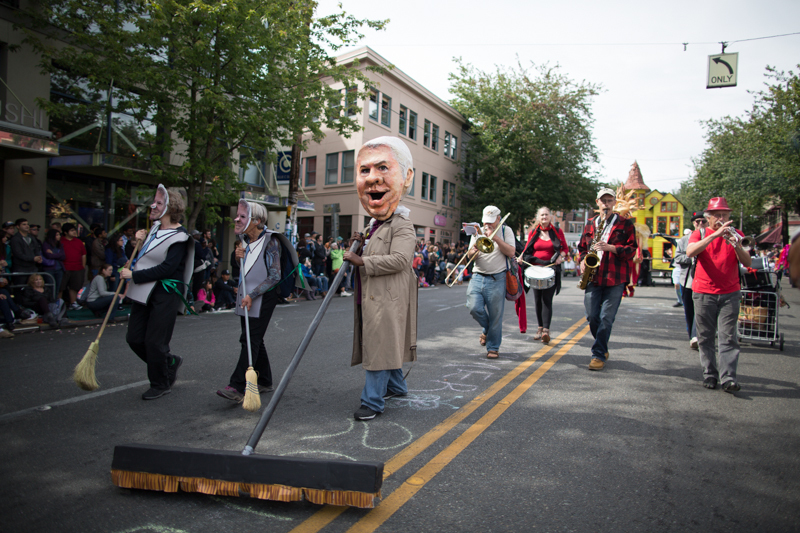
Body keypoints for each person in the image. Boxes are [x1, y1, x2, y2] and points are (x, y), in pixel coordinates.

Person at [343, 136, 417, 421]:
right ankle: (397, 385)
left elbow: (400, 260)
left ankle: (372, 402)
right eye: (365, 171)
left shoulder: (403, 226)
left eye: (383, 168)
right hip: (371, 295)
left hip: (387, 299)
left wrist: (363, 260)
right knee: (386, 343)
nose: (373, 178)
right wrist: (359, 245)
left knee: (378, 347)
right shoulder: (375, 224)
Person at [217, 200, 299, 402]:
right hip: (247, 297)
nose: (236, 219)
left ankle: (237, 386)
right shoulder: (246, 240)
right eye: (238, 215)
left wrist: (251, 295)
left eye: (242, 217)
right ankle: (265, 380)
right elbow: (247, 269)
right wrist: (238, 259)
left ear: (257, 221)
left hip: (262, 297)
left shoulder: (271, 241)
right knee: (252, 337)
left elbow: (274, 276)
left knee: (250, 339)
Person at [121, 185, 195, 400]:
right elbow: (138, 256)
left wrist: (133, 276)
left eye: (159, 203)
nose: (153, 206)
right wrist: (136, 241)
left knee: (155, 343)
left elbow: (167, 269)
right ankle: (169, 362)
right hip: (143, 291)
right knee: (134, 338)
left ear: (171, 208)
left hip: (165, 293)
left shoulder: (180, 237)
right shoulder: (152, 229)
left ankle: (160, 383)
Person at [686, 197, 751, 392]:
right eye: (717, 215)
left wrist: (736, 244)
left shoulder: (736, 234)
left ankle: (729, 378)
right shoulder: (700, 233)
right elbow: (690, 252)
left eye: (724, 215)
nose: (722, 218)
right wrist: (715, 236)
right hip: (704, 291)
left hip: (730, 292)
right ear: (709, 217)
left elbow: (747, 262)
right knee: (705, 337)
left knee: (728, 337)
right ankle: (710, 374)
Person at [578, 187, 637, 371]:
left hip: (615, 277)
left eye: (609, 200)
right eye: (603, 200)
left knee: (606, 318)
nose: (606, 204)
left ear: (614, 203)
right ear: (597, 203)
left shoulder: (625, 223)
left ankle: (597, 354)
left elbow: (632, 250)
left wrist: (611, 248)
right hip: (593, 277)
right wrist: (581, 261)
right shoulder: (590, 224)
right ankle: (602, 347)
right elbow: (581, 248)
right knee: (592, 316)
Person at [465, 206, 516, 359]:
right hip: (478, 275)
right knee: (473, 307)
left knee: (496, 315)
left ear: (499, 219)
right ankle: (488, 330)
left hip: (497, 278)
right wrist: (473, 251)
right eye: (486, 222)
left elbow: (511, 252)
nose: (488, 225)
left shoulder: (506, 231)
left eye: (491, 222)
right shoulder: (477, 230)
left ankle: (493, 347)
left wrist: (496, 239)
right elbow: (469, 256)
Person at [521, 206, 568, 344]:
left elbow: (564, 249)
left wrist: (561, 256)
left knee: (547, 300)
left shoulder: (557, 232)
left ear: (550, 216)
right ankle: (539, 328)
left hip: (550, 270)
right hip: (535, 270)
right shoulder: (533, 232)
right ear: (538, 217)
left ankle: (546, 330)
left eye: (546, 215)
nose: (544, 217)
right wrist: (521, 257)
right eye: (542, 215)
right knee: (537, 300)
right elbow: (527, 248)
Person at [674, 212, 706, 350]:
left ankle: (698, 336)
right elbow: (677, 258)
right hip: (688, 280)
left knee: (703, 311)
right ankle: (692, 336)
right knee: (690, 311)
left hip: (706, 281)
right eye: (697, 221)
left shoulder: (711, 237)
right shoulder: (684, 240)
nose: (700, 224)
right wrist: (692, 256)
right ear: (693, 223)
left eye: (703, 221)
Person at [60, 223, 87, 310]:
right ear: (65, 232)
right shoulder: (60, 241)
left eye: (74, 230)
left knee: (74, 287)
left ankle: (73, 303)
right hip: (64, 268)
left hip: (77, 268)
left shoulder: (78, 241)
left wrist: (82, 266)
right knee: (61, 287)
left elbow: (83, 254)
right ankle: (59, 304)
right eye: (71, 230)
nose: (74, 232)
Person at [42, 228, 65, 301]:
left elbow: (63, 256)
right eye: (57, 235)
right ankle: (50, 302)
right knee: (50, 288)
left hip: (59, 269)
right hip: (49, 269)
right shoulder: (46, 244)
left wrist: (54, 254)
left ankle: (55, 302)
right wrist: (58, 255)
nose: (59, 236)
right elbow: (48, 256)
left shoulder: (59, 245)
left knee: (57, 288)